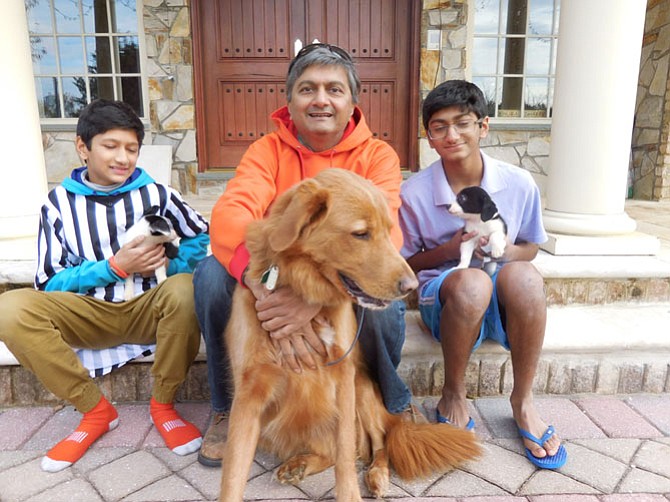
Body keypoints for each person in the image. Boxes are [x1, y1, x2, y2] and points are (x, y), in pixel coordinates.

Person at [193, 43, 424, 467]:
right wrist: (263, 288)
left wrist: (310, 301)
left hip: (336, 281)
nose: (321, 99)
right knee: (209, 275)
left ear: (353, 101)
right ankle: (228, 406)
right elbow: (231, 215)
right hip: (277, 277)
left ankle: (393, 399)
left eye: (334, 89)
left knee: (385, 303)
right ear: (290, 101)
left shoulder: (378, 156)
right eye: (307, 89)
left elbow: (387, 233)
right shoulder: (266, 151)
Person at [0, 99, 210, 472]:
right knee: (10, 310)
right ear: (83, 147)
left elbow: (201, 237)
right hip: (89, 315)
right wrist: (112, 267)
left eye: (131, 148)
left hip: (150, 307)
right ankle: (95, 411)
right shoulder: (58, 203)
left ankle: (163, 404)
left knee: (184, 287)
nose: (123, 158)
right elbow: (49, 282)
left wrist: (169, 259)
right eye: (110, 146)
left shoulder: (158, 193)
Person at [399, 80, 567, 470]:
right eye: (439, 127)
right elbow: (406, 265)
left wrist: (506, 251)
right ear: (429, 136)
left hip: (502, 289)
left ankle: (523, 401)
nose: (452, 134)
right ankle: (453, 394)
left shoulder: (518, 183)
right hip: (448, 294)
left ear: (483, 126)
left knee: (525, 275)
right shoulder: (414, 192)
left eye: (463, 123)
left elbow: (531, 245)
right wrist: (455, 246)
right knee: (472, 283)